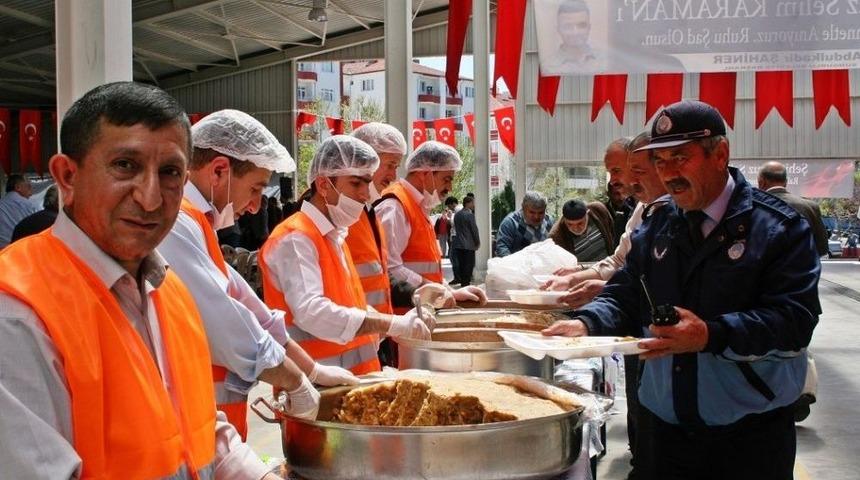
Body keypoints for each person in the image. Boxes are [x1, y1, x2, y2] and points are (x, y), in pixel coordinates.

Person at [0, 81, 279, 479]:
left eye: (169, 172)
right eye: (125, 166)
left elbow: (198, 426)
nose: (150, 198)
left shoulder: (170, 291)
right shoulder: (16, 313)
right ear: (67, 176)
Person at [544, 100, 820, 480]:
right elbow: (625, 293)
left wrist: (710, 335)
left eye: (680, 157)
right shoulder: (658, 226)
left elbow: (795, 321)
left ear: (720, 153)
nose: (668, 172)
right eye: (661, 161)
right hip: (664, 433)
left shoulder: (776, 229)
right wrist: (586, 324)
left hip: (748, 440)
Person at [159, 109, 354, 440]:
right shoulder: (176, 224)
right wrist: (295, 381)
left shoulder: (198, 226)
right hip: (186, 429)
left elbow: (256, 313)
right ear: (219, 171)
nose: (254, 207)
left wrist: (312, 370)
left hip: (210, 430)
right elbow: (228, 326)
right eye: (255, 189)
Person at [260, 135, 436, 376]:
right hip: (318, 385)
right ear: (323, 185)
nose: (365, 194)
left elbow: (349, 303)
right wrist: (392, 323)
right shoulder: (296, 238)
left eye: (367, 183)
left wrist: (391, 324)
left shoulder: (334, 235)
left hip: (351, 379)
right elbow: (313, 312)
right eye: (356, 184)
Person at [376, 140, 486, 312]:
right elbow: (390, 269)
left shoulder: (417, 207)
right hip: (403, 319)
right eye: (446, 179)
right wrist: (435, 291)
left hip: (418, 313)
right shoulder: (395, 207)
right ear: (425, 173)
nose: (450, 187)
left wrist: (449, 291)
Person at [349, 122, 406, 366]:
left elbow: (380, 275)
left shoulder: (367, 212)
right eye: (390, 165)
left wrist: (420, 294)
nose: (393, 176)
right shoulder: (343, 216)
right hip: (350, 346)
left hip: (373, 339)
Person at [757, 161, 828, 257]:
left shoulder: (754, 206)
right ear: (786, 182)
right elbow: (822, 248)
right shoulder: (811, 207)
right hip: (802, 269)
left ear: (762, 182)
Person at [549, 198, 614, 262]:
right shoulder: (556, 237)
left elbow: (613, 232)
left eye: (580, 223)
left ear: (587, 214)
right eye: (570, 224)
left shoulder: (598, 211)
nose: (575, 228)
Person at [495, 191, 554, 257]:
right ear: (523, 208)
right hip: (516, 264)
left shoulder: (549, 221)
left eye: (541, 213)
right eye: (532, 212)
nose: (536, 217)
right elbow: (502, 248)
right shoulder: (510, 223)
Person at [0, 173, 38, 247]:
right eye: (28, 187)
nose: (31, 193)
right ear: (18, 187)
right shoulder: (29, 205)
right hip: (22, 249)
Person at [451, 195, 480, 286]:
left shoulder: (457, 215)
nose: (474, 204)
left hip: (458, 243)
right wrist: (477, 242)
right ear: (468, 203)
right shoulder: (470, 215)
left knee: (462, 264)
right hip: (469, 244)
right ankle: (466, 283)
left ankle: (463, 281)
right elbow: (474, 229)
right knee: (468, 264)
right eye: (473, 202)